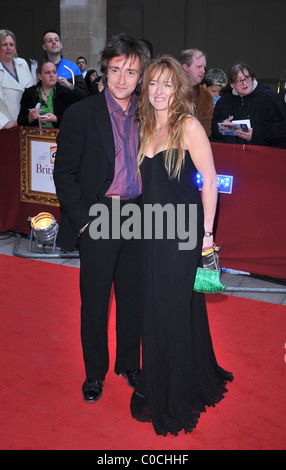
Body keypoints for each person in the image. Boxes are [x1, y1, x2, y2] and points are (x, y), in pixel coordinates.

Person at [130, 55, 233, 436]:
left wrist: (206, 235)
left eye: (167, 84)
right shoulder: (142, 126)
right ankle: (158, 377)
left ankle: (171, 391)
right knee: (154, 310)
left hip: (181, 235)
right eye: (153, 83)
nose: (159, 91)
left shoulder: (187, 126)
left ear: (178, 89)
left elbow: (209, 179)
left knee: (169, 311)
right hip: (148, 234)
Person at [53, 33, 149, 403]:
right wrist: (84, 221)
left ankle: (129, 364)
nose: (122, 79)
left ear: (140, 76)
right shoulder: (80, 113)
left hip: (140, 215)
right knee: (94, 300)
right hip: (99, 216)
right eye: (114, 70)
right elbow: (64, 174)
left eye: (130, 72)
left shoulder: (149, 114)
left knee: (132, 297)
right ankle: (95, 372)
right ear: (103, 71)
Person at [211, 63, 275, 145]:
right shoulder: (224, 101)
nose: (245, 83)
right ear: (231, 84)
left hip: (260, 152)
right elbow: (212, 130)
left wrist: (255, 135)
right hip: (232, 153)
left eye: (247, 78)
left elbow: (277, 129)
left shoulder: (268, 97)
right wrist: (222, 127)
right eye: (239, 81)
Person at [17, 60, 80, 128]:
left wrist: (56, 119)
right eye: (47, 73)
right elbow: (20, 120)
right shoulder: (29, 93)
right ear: (40, 76)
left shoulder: (66, 93)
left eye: (54, 72)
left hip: (59, 136)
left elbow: (74, 119)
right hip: (35, 136)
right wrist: (30, 117)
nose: (52, 75)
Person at [0, 29, 34, 129]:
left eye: (11, 44)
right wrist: (3, 122)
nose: (9, 48)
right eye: (4, 44)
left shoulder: (22, 63)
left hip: (27, 123)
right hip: (7, 127)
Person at [42, 30, 88, 100]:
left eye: (56, 40)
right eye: (50, 41)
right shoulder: (41, 70)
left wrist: (70, 86)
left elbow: (84, 95)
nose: (54, 42)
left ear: (61, 45)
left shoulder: (73, 67)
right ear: (44, 47)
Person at [179, 48, 213, 137]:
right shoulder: (170, 89)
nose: (203, 71)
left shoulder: (206, 95)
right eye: (198, 67)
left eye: (204, 67)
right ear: (185, 67)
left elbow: (207, 130)